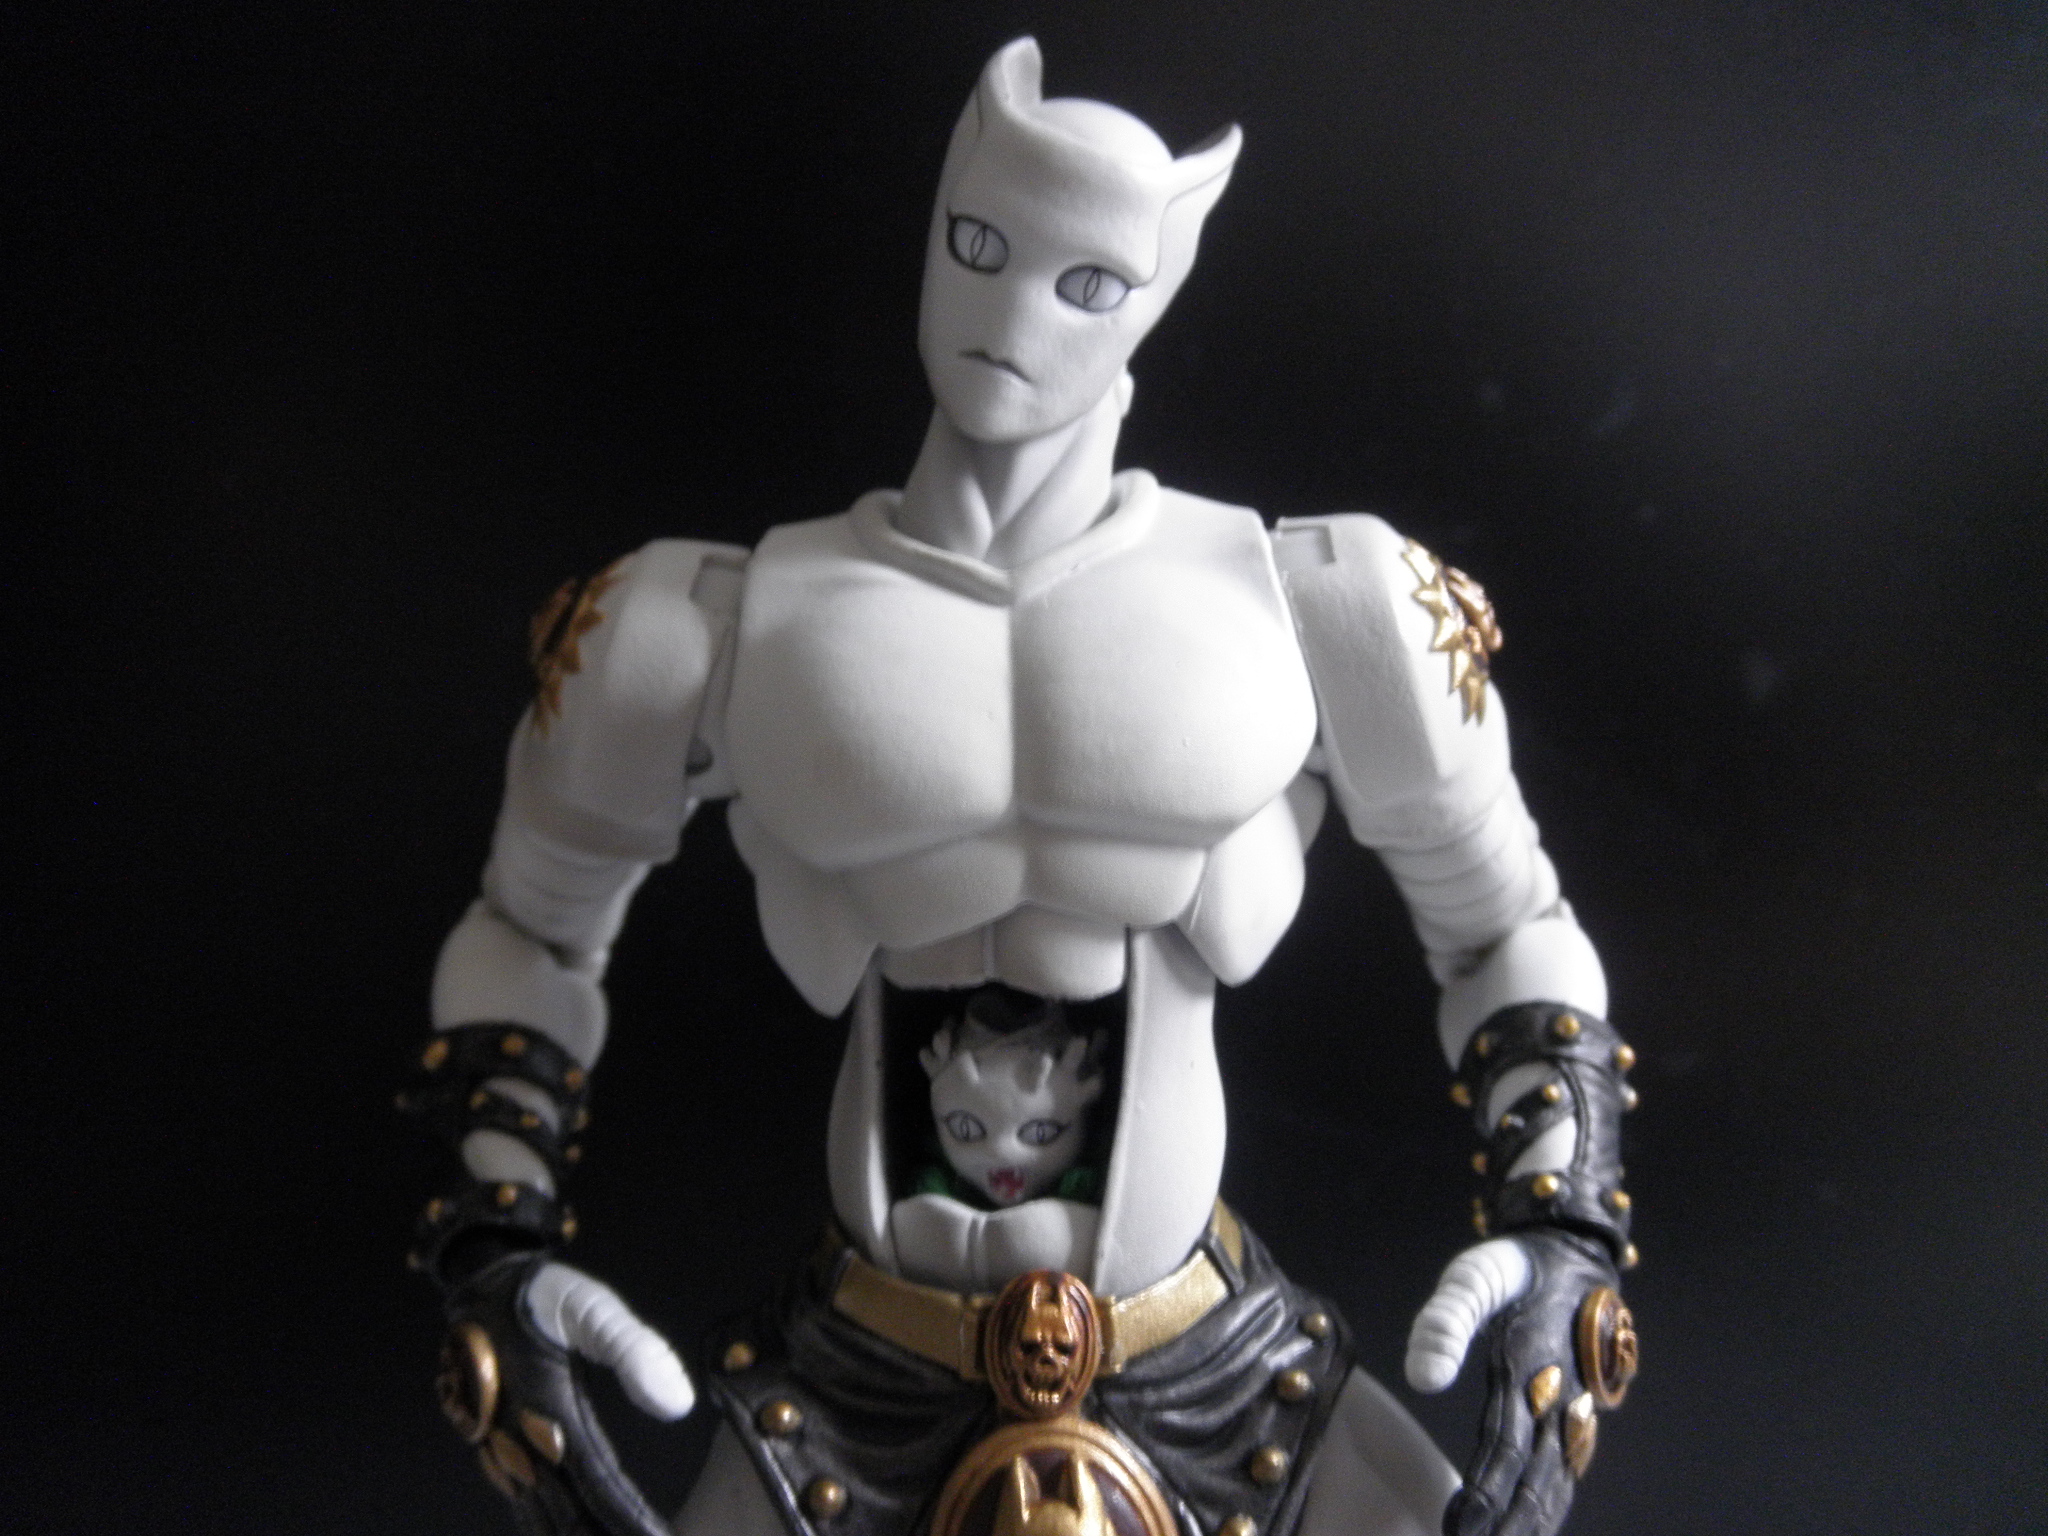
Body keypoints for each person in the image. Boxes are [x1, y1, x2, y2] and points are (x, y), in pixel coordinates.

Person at [406, 38, 1639, 1536]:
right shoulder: (703, 624)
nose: (1010, 316)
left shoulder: (1320, 605)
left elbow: (1506, 926)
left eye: (1088, 281)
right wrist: (497, 1251)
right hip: (856, 1392)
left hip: (1224, 1382)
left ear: (1156, 298)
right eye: (979, 247)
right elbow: (529, 937)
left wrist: (1560, 1233)